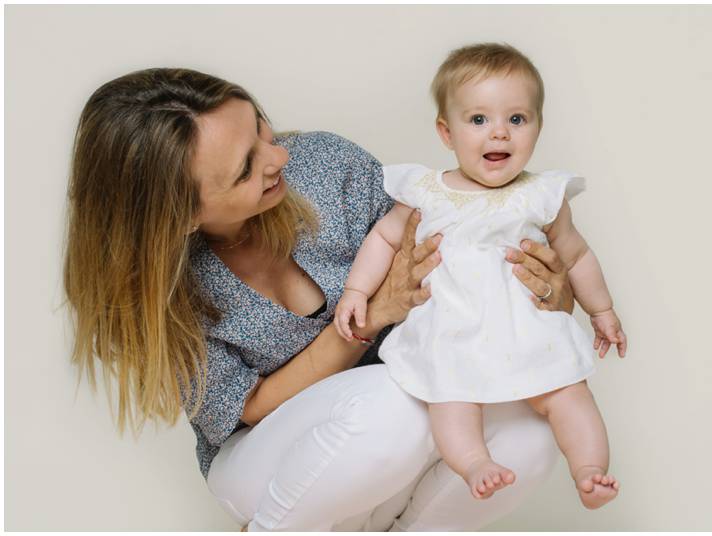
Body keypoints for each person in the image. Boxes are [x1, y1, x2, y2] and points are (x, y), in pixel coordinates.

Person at [63, 67, 577, 531]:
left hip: (419, 412)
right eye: (246, 167)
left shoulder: (327, 165)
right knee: (391, 401)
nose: (279, 156)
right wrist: (372, 317)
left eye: (262, 128)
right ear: (180, 215)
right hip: (269, 457)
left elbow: (464, 266)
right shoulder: (166, 288)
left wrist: (550, 293)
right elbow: (251, 408)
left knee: (531, 425)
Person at [334, 43, 626, 508]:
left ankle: (590, 471)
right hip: (454, 326)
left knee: (569, 394)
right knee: (451, 397)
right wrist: (357, 290)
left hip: (528, 328)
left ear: (537, 127)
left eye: (516, 119)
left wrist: (602, 310)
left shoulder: (543, 195)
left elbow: (576, 255)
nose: (499, 134)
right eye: (478, 121)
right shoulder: (427, 191)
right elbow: (385, 239)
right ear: (446, 133)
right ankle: (473, 462)